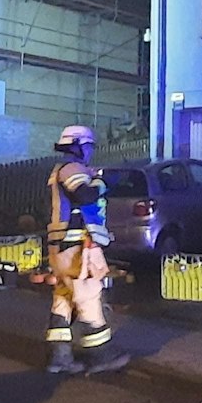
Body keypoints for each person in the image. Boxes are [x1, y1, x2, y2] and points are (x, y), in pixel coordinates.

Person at [43, 125, 129, 375]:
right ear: (78, 145)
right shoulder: (72, 168)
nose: (91, 151)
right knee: (89, 295)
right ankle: (100, 355)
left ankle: (59, 358)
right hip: (76, 244)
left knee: (63, 298)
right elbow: (84, 194)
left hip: (61, 246)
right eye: (89, 146)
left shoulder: (61, 169)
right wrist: (102, 181)